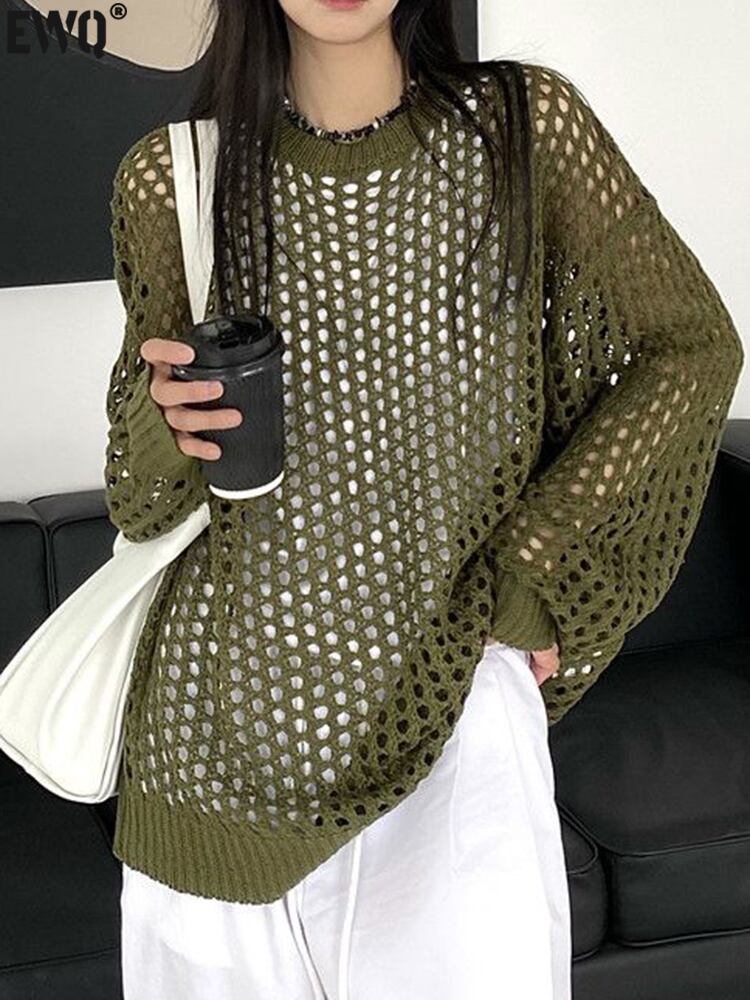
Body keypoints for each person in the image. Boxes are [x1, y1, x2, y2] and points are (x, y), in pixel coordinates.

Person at [102, 1, 744, 997]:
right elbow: (141, 504)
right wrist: (162, 417)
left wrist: (534, 573)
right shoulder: (173, 179)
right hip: (213, 750)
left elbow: (689, 346)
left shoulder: (524, 132)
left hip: (452, 715)